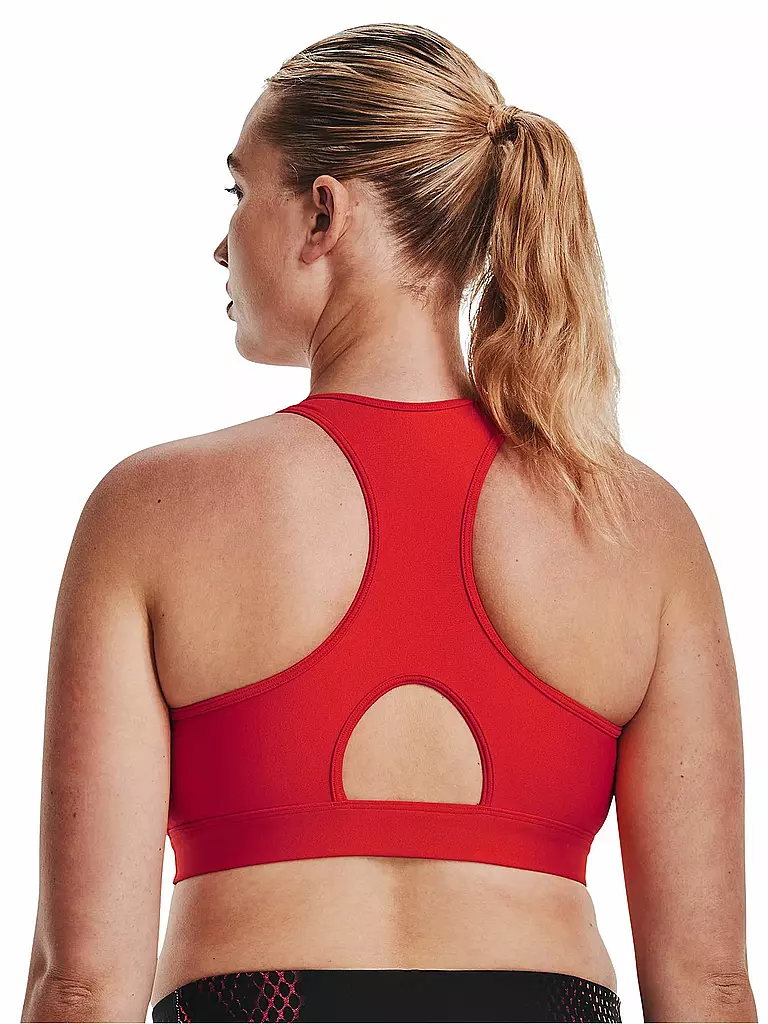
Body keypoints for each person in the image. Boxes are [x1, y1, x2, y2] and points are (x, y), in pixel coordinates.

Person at [21, 21, 755, 1024]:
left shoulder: (150, 509)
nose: (220, 243)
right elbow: (709, 988)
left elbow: (81, 983)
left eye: (239, 192)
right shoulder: (636, 523)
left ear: (323, 212)